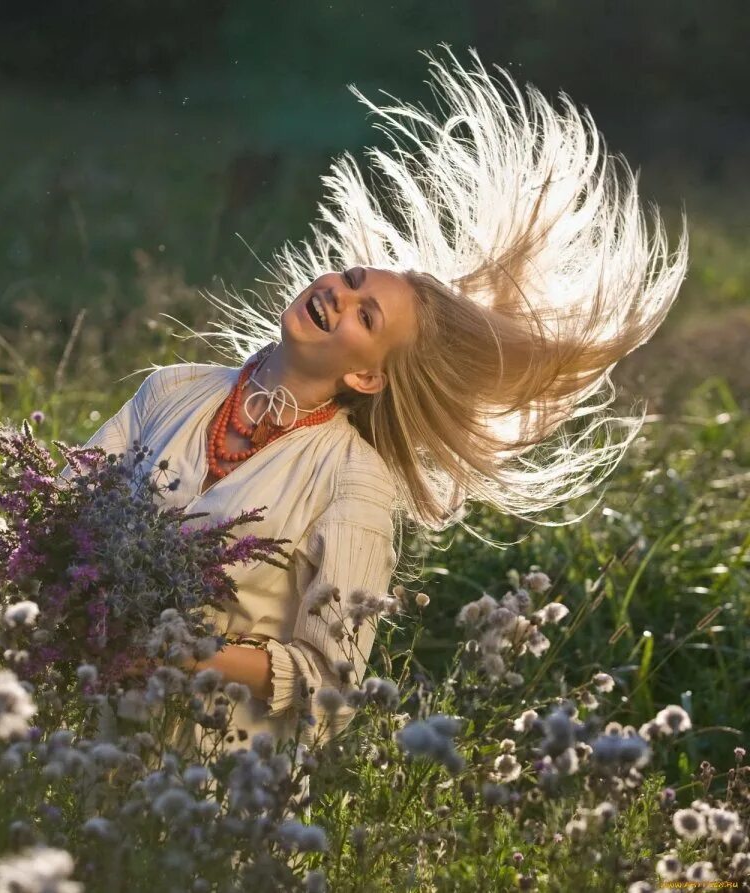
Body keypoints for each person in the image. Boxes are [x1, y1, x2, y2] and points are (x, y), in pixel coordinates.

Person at [59, 45, 688, 762]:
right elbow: (57, 517)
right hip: (68, 736)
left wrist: (181, 658)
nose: (339, 293)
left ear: (367, 378)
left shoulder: (354, 483)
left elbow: (331, 680)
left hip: (201, 791)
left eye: (366, 316)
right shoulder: (169, 390)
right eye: (352, 278)